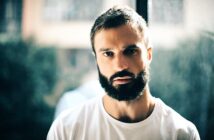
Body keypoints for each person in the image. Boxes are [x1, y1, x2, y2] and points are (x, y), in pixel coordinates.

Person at [47, 5, 200, 140]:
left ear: (148, 55)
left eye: (130, 51)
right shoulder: (67, 130)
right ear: (96, 60)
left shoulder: (181, 133)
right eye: (108, 53)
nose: (120, 65)